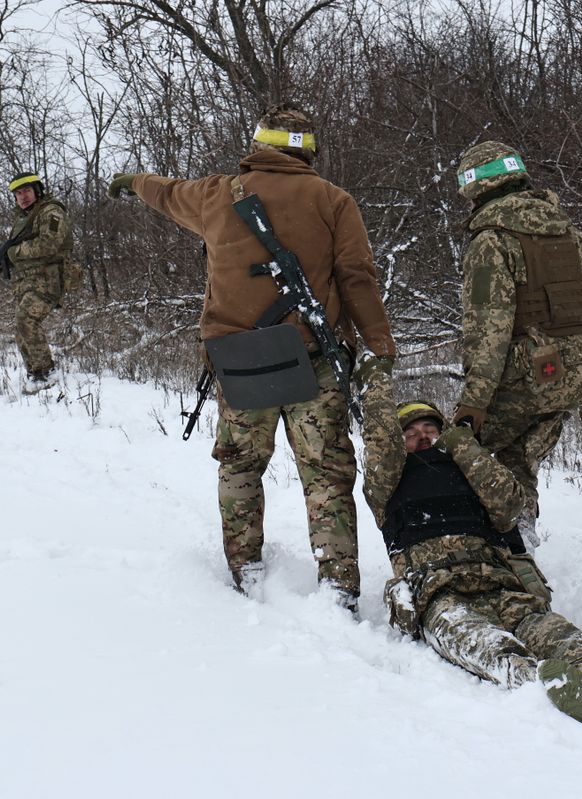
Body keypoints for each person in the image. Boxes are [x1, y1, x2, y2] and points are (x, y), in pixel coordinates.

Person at [106, 104, 397, 608]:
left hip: (241, 362)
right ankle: (338, 588)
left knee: (240, 465)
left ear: (259, 144)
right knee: (325, 472)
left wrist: (134, 181)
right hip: (313, 362)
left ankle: (246, 571)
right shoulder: (333, 200)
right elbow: (357, 279)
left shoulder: (215, 194)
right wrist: (379, 346)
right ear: (307, 150)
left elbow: (165, 192)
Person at [355, 356, 582, 735]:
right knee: (486, 645)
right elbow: (380, 440)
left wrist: (463, 448)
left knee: (558, 636)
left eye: (430, 429)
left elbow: (510, 503)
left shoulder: (469, 473)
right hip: (437, 593)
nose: (423, 438)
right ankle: (551, 690)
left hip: (500, 582)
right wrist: (376, 379)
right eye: (411, 434)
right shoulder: (388, 484)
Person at [450, 141, 582, 546]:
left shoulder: (491, 241)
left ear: (475, 189)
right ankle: (520, 537)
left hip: (518, 377)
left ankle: (464, 545)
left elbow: (487, 332)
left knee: (456, 453)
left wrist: (473, 403)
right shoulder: (564, 231)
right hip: (568, 376)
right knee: (521, 459)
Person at [0, 171, 79, 394]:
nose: (23, 197)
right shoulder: (23, 219)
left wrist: (13, 253)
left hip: (49, 280)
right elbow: (22, 252)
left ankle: (46, 373)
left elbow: (48, 245)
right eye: (18, 193)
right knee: (21, 328)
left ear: (37, 190)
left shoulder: (51, 212)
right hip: (28, 281)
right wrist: (2, 262)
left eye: (27, 191)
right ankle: (34, 374)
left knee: (26, 319)